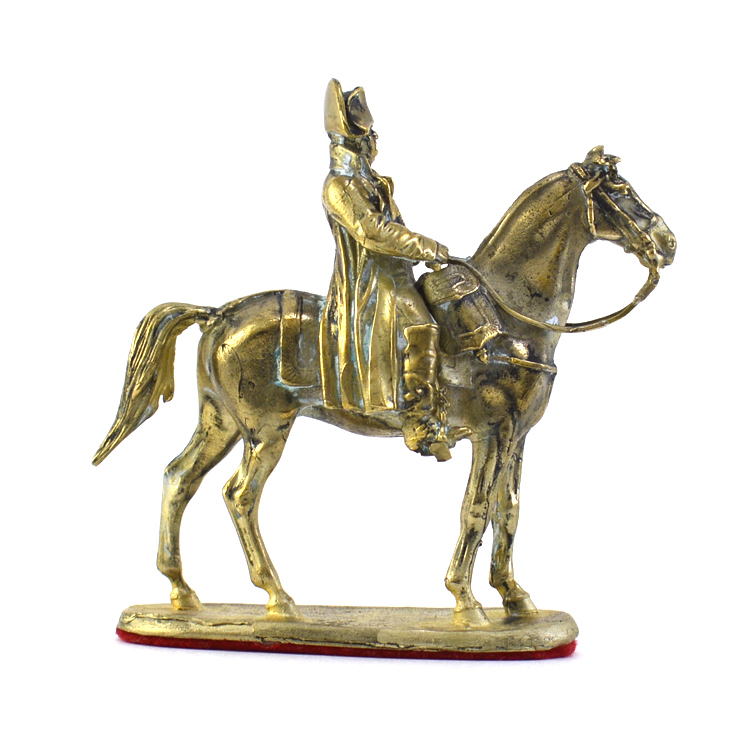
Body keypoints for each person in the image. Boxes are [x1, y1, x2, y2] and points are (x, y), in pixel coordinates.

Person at [319, 78, 453, 460]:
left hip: (397, 273)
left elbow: (396, 227)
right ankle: (418, 419)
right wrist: (426, 246)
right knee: (422, 327)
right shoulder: (340, 186)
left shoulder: (373, 183)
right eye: (371, 134)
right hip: (374, 284)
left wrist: (423, 254)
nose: (376, 140)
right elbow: (373, 232)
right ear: (357, 142)